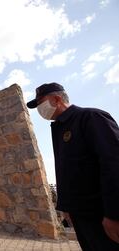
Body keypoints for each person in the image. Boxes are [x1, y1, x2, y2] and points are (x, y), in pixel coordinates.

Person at [27, 82, 119, 250]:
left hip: (101, 215)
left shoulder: (91, 118)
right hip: (81, 216)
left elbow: (113, 165)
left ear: (57, 99)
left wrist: (114, 214)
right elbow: (67, 171)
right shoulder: (60, 129)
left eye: (41, 103)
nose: (39, 109)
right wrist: (65, 206)